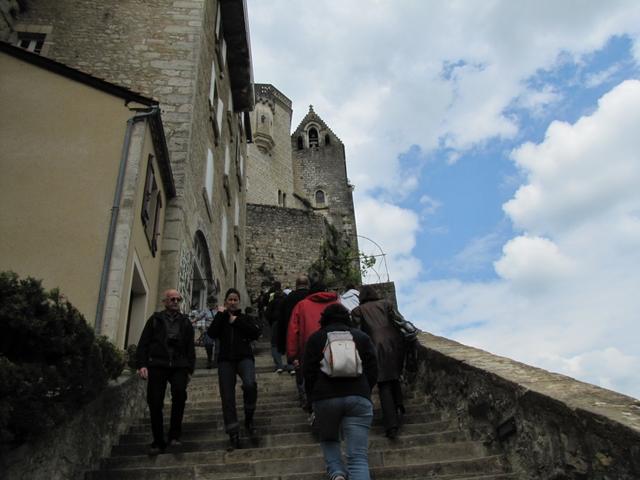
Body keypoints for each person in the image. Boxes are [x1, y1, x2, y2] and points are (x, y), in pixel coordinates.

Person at [303, 303, 378, 480]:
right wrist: (364, 389)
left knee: (329, 439)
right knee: (358, 458)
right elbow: (373, 368)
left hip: (325, 398)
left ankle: (337, 473)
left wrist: (312, 399)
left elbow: (308, 373)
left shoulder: (316, 338)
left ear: (324, 319)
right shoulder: (361, 337)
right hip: (358, 397)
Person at [136, 289, 196, 454]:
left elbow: (190, 348)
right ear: (165, 302)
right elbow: (144, 343)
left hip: (179, 366)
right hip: (157, 364)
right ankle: (158, 441)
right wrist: (142, 365)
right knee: (155, 402)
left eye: (178, 299)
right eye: (172, 299)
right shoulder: (155, 320)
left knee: (179, 395)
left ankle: (174, 436)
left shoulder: (185, 322)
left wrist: (189, 369)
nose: (176, 302)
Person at [207, 288, 262, 450]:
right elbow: (211, 334)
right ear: (225, 302)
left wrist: (235, 320)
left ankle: (249, 418)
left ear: (239, 301)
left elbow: (255, 333)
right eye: (230, 299)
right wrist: (220, 315)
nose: (232, 302)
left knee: (250, 385)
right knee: (227, 396)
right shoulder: (220, 318)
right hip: (225, 360)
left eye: (235, 299)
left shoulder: (245, 318)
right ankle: (233, 433)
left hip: (244, 357)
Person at [351, 286, 406, 439]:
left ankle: (391, 425)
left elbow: (357, 333)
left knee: (383, 383)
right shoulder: (386, 304)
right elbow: (400, 321)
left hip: (374, 346)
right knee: (394, 376)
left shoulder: (358, 311)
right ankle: (399, 405)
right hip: (394, 343)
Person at [287, 283, 339, 407]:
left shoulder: (301, 305)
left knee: (312, 381)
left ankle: (314, 408)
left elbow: (293, 331)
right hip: (337, 348)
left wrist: (293, 356)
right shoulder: (336, 303)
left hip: (309, 351)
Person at [264, 281, 291, 373]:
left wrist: (271, 321)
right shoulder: (287, 300)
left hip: (276, 322)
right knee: (288, 343)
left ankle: (279, 365)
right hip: (286, 323)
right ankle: (290, 366)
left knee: (274, 344)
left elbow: (267, 313)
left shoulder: (272, 300)